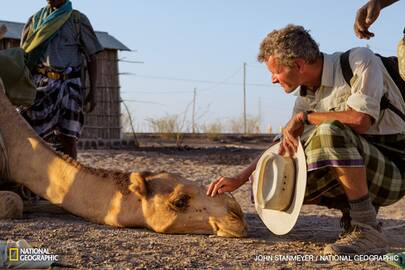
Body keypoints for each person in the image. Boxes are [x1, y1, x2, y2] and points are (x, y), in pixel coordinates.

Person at [207, 25, 405, 255]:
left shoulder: (358, 61)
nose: (273, 79)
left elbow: (360, 120)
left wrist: (306, 118)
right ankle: (351, 215)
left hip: (396, 168)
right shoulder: (307, 95)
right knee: (270, 177)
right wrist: (241, 178)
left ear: (299, 65)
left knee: (329, 132)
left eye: (276, 72)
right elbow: (284, 145)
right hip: (365, 162)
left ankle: (367, 226)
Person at [20, 0, 103, 159]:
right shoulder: (35, 20)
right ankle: (35, 179)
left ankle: (71, 178)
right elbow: (24, 56)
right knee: (33, 136)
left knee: (68, 139)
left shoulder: (77, 20)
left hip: (70, 85)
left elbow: (91, 57)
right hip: (41, 85)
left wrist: (93, 91)